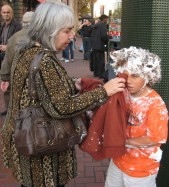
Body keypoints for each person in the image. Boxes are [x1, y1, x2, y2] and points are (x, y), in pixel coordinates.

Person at [1, 2, 125, 187]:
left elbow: (40, 88)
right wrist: (104, 91)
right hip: (42, 148)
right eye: (67, 31)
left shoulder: (25, 50)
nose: (72, 35)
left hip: (23, 137)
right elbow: (62, 107)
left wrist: (72, 83)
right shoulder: (45, 60)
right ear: (49, 29)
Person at [105, 46, 169, 187]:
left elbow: (155, 138)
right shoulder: (122, 93)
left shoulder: (155, 104)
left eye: (135, 76)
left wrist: (121, 140)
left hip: (141, 169)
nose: (128, 80)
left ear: (148, 76)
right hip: (117, 161)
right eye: (125, 74)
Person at [0, 11, 34, 116]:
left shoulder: (14, 38)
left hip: (16, 75)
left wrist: (5, 77)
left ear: (23, 22)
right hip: (33, 77)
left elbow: (7, 61)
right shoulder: (42, 37)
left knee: (12, 100)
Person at [0, 4, 22, 116]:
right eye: (4, 12)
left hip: (13, 59)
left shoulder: (17, 26)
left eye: (8, 12)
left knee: (15, 84)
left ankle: (15, 109)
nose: (6, 14)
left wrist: (7, 47)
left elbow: (19, 44)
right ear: (1, 13)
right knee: (4, 83)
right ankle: (8, 108)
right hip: (4, 59)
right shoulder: (2, 26)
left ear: (12, 13)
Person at [90, 14, 112, 78]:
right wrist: (109, 37)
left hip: (94, 45)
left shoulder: (96, 25)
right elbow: (103, 36)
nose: (106, 20)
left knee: (95, 60)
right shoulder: (102, 25)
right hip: (100, 45)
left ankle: (96, 73)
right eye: (106, 19)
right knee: (100, 60)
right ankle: (101, 73)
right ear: (103, 19)